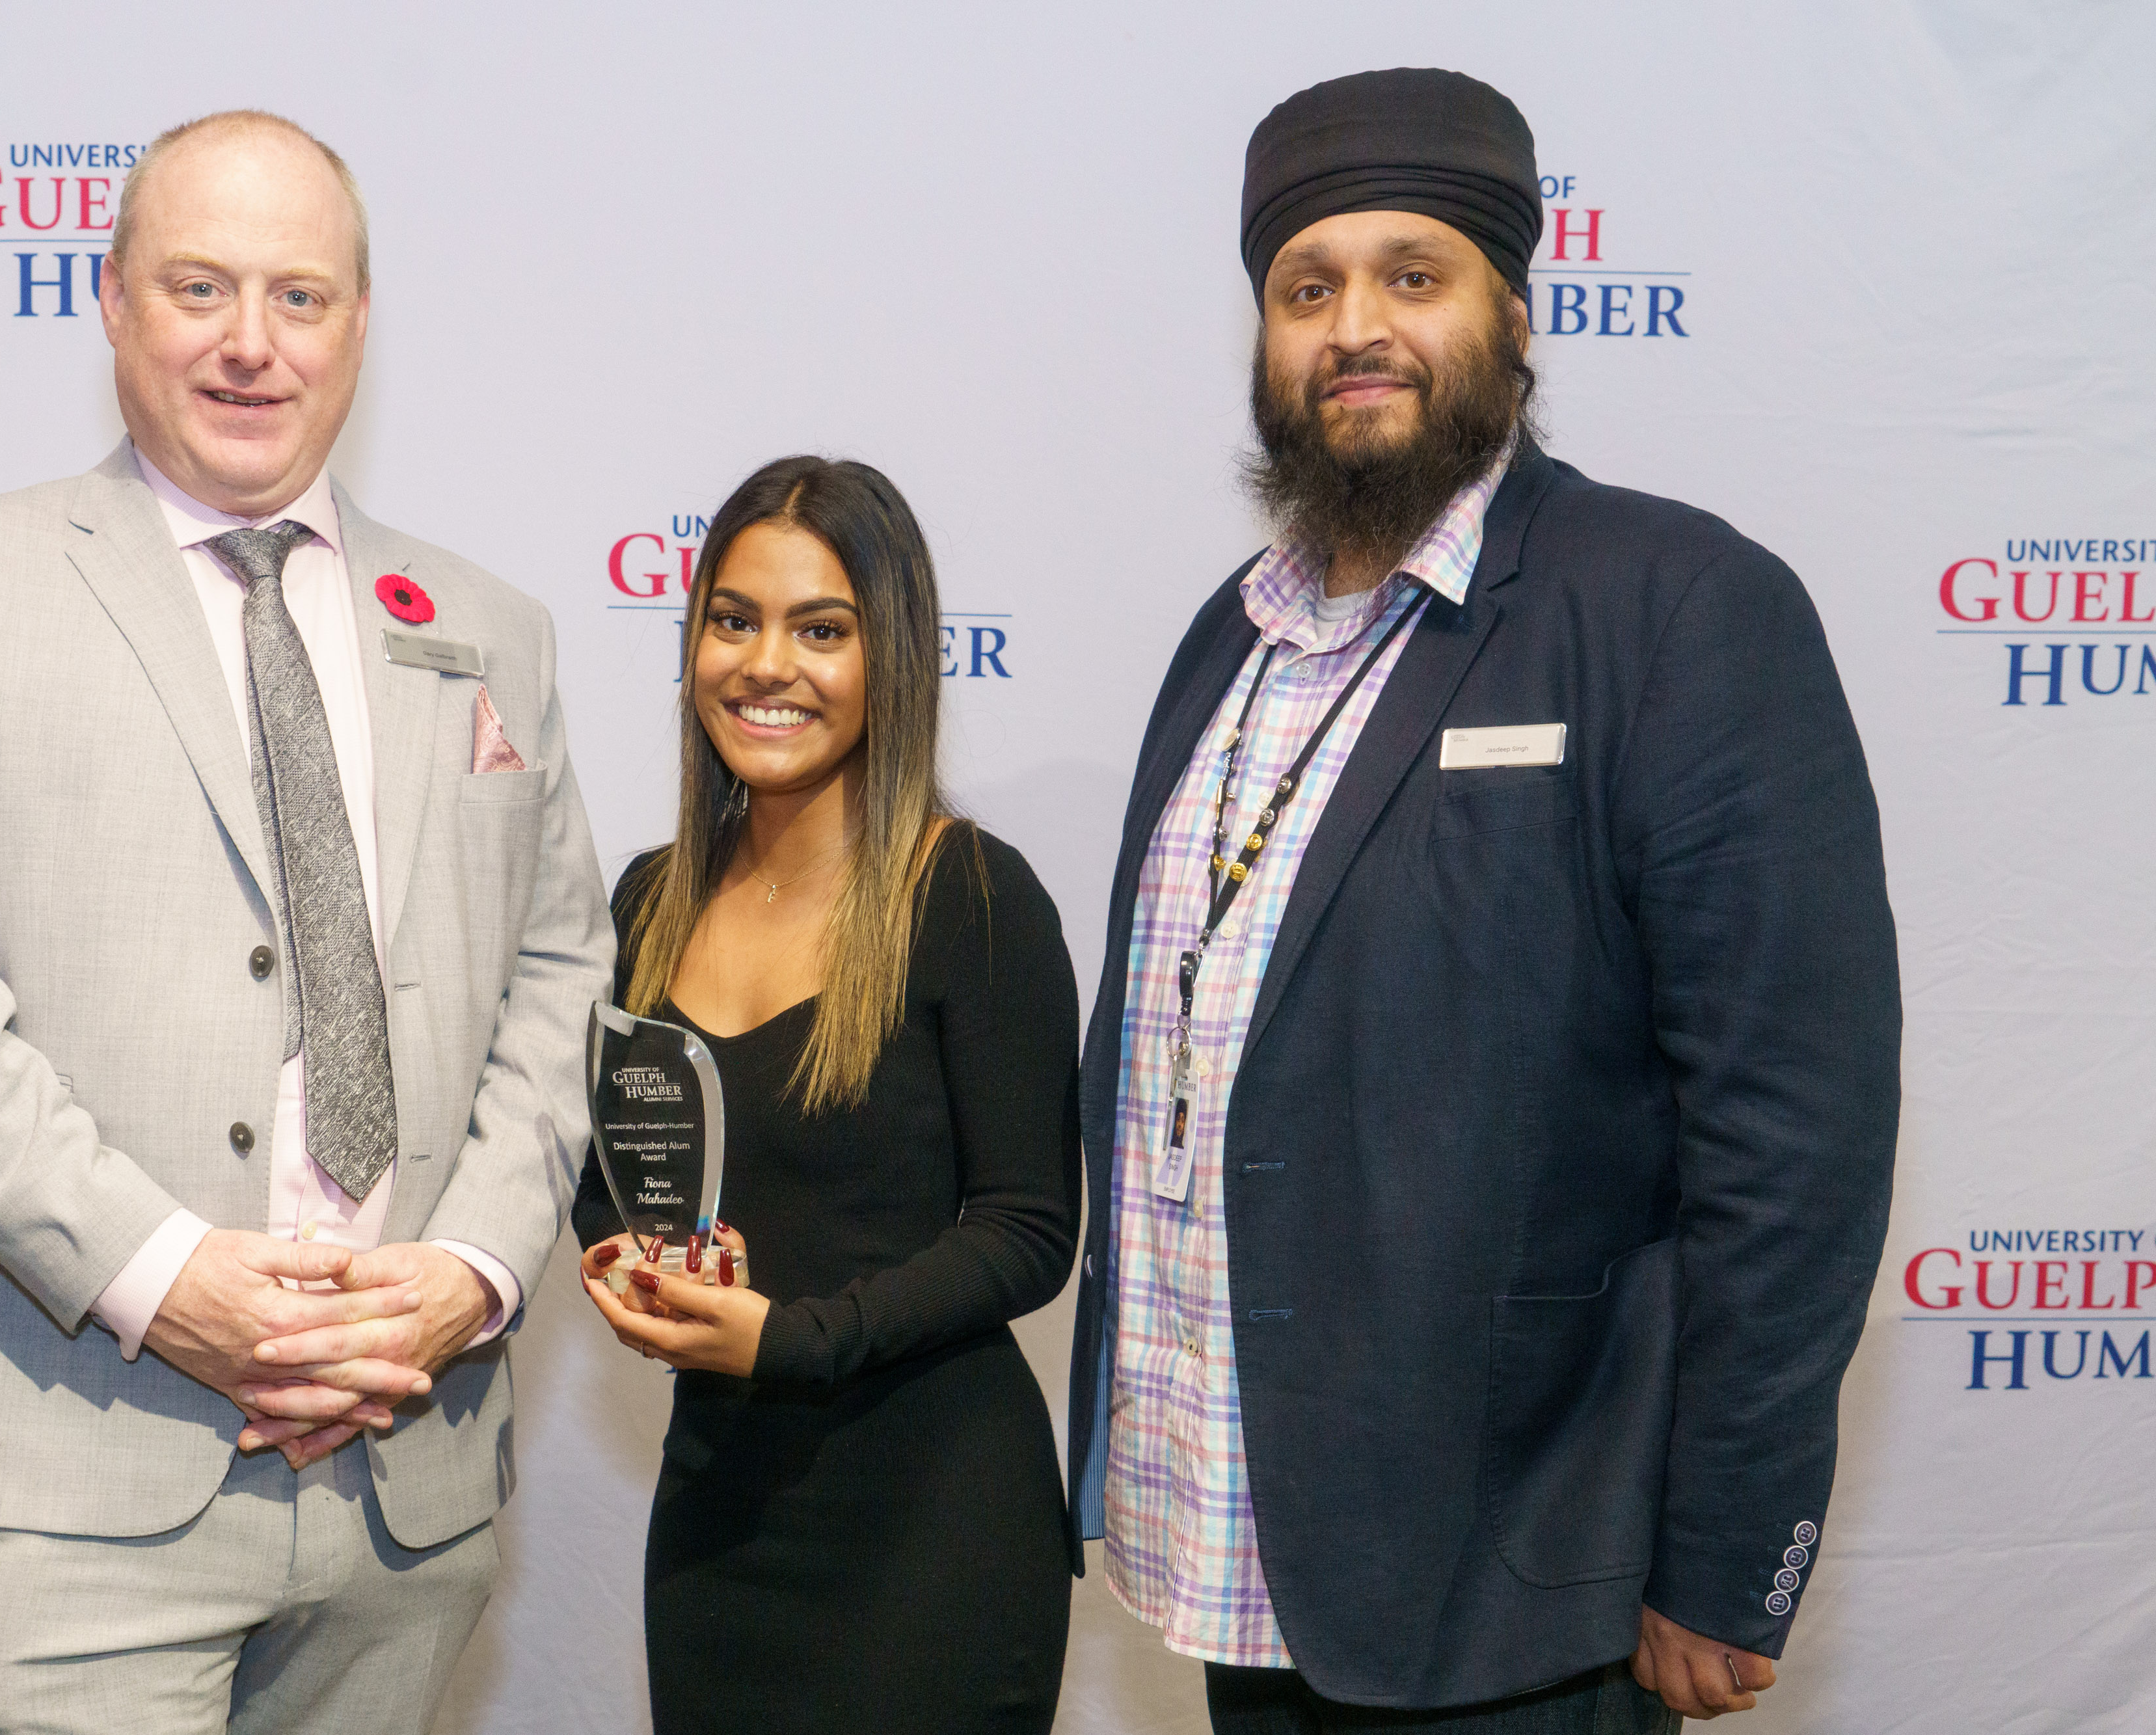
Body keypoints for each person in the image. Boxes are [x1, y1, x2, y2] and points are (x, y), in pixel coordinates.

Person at [1065, 68, 1901, 1732]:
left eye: (1411, 276)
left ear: (1513, 314)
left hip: (1526, 1581)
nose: (1353, 327)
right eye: (1306, 290)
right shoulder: (1223, 643)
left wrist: (1726, 1550)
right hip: (1239, 1556)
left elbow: (1791, 1135)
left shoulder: (1675, 607)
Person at [0, 109, 612, 1732]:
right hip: (73, 1469)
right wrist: (166, 1278)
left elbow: (557, 969)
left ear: (361, 325)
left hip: (407, 1480)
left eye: (300, 297)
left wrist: (466, 1267)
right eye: (199, 288)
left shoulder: (489, 630)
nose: (252, 344)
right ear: (107, 304)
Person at [572, 455, 1081, 1734]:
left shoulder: (969, 895)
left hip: (932, 1535)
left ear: (891, 654)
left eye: (821, 628)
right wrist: (616, 1257)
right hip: (714, 1520)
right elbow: (606, 1176)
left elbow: (1026, 1227)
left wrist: (789, 1339)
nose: (766, 664)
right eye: (732, 618)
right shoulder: (646, 898)